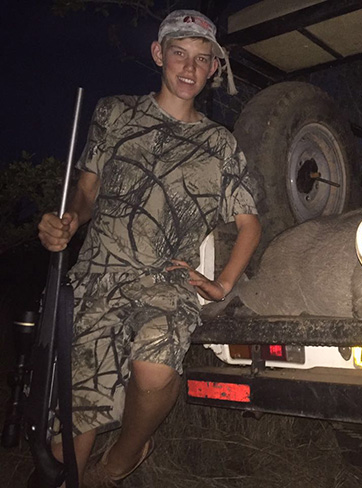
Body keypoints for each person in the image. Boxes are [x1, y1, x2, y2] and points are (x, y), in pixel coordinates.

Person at [36, 10, 261, 487]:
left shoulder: (219, 143)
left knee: (155, 366)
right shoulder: (114, 113)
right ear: (159, 54)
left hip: (164, 279)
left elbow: (249, 223)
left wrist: (221, 285)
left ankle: (122, 459)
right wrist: (69, 220)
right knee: (65, 448)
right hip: (96, 276)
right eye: (179, 53)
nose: (189, 67)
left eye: (202, 59)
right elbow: (87, 192)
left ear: (213, 69)